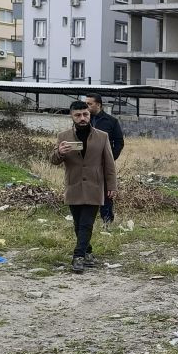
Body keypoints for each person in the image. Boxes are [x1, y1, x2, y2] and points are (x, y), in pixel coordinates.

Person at [52, 101, 116, 273]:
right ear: (72, 116)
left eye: (85, 114)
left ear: (90, 115)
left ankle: (78, 257)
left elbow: (109, 164)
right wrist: (60, 152)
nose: (82, 118)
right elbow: (53, 160)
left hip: (95, 186)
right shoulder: (63, 136)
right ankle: (87, 252)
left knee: (86, 223)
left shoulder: (102, 136)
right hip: (74, 185)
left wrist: (112, 186)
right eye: (78, 115)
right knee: (78, 223)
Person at [86, 93, 124, 224]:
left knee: (106, 193)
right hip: (86, 164)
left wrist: (110, 158)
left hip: (103, 164)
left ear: (98, 105)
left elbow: (119, 142)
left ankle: (107, 221)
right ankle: (86, 220)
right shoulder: (85, 120)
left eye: (89, 104)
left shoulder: (111, 121)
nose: (87, 106)